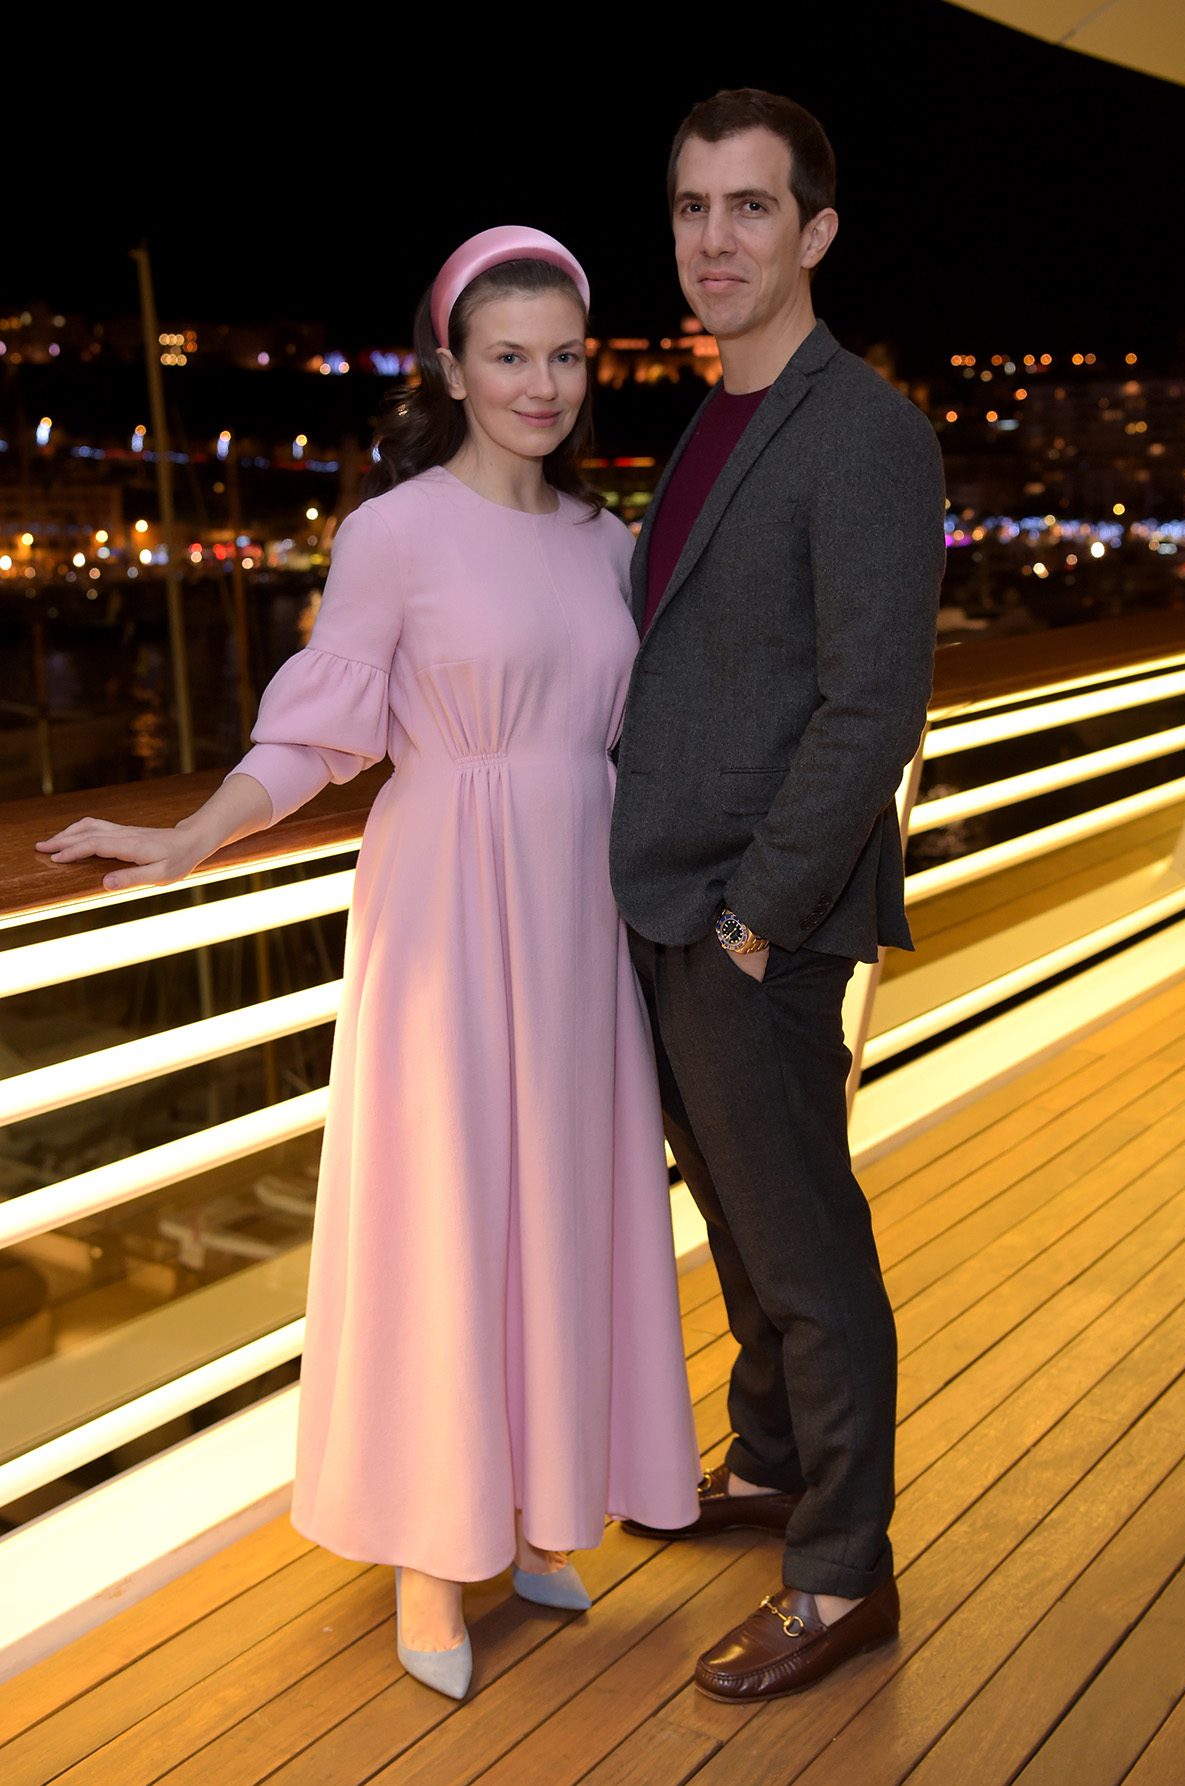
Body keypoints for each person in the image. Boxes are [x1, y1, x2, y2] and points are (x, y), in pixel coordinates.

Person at [38, 227, 701, 1703]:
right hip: (448, 906)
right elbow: (318, 731)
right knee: (446, 1213)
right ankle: (426, 1552)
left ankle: (539, 1515)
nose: (542, 384)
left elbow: (650, 736)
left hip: (577, 905)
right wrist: (193, 832)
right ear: (453, 369)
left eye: (566, 355)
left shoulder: (611, 543)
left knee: (563, 1204)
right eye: (510, 356)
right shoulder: (393, 532)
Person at [610, 90, 946, 1700]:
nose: (716, 238)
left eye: (750, 208)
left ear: (814, 231)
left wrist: (753, 919)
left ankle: (841, 1571)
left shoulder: (864, 426)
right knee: (740, 1229)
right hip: (669, 907)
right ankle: (765, 1460)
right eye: (692, 208)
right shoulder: (711, 414)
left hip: (759, 923)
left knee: (808, 1252)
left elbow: (869, 704)